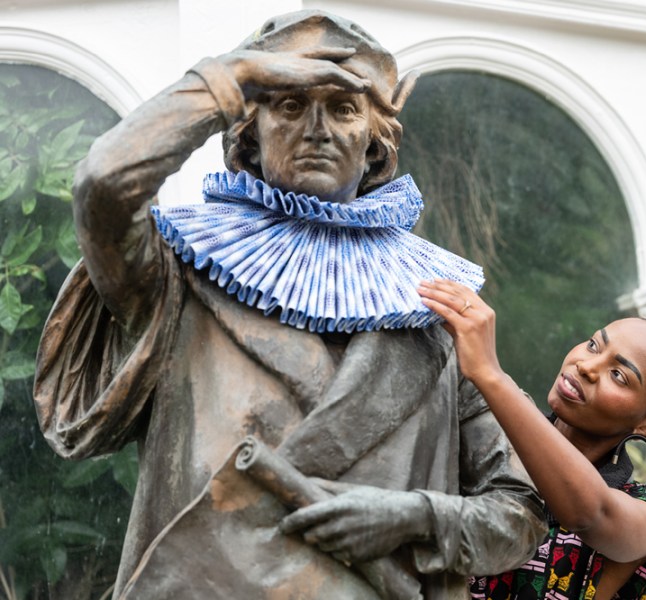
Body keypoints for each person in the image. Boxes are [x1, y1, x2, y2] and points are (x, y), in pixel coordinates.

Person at [32, 10, 544, 600]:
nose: (318, 129)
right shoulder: (177, 271)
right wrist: (234, 76)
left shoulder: (440, 309)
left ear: (375, 145)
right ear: (248, 133)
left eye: (344, 109)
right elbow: (103, 184)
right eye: (290, 105)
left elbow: (520, 514)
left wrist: (415, 516)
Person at [417, 279, 646, 600]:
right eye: (595, 344)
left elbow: (589, 513)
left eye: (619, 375)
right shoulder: (489, 437)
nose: (586, 366)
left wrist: (489, 373)